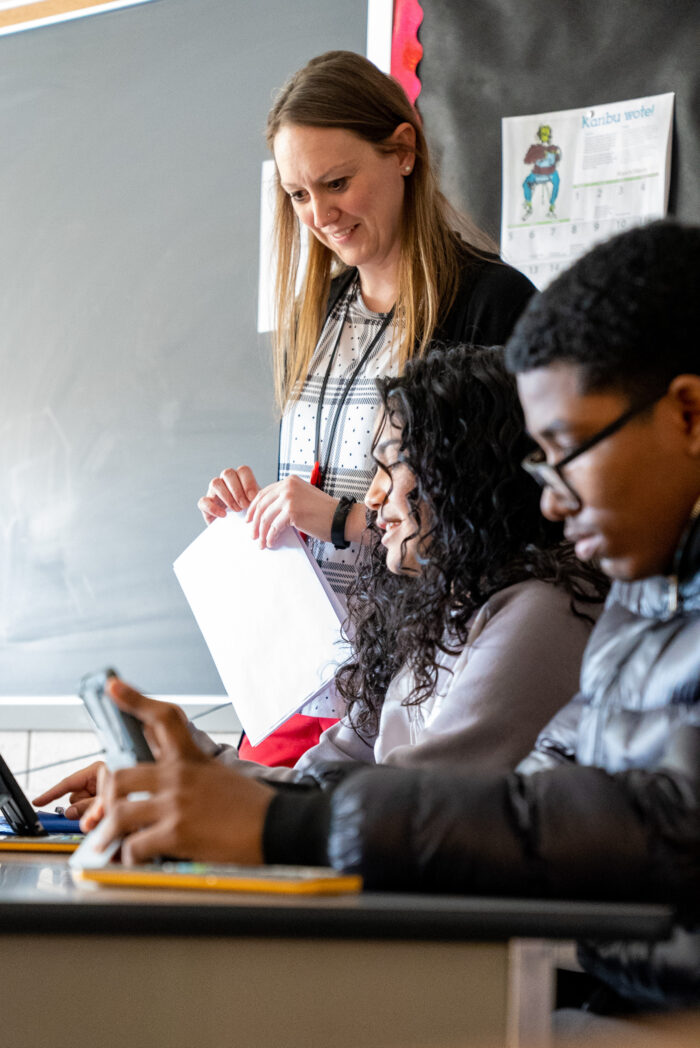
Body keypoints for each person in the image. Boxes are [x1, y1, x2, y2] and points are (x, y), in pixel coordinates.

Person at [92, 221, 700, 1016]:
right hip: (598, 1000)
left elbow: (633, 827)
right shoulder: (640, 599)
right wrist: (208, 780)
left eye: (568, 450)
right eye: (540, 464)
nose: (553, 498)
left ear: (687, 413)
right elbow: (539, 794)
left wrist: (290, 827)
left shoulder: (554, 607)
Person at [35, 344, 605, 815]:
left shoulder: (537, 614)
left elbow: (405, 808)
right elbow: (318, 784)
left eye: (391, 469)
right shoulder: (433, 613)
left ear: (465, 478)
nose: (373, 497)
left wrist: (194, 788)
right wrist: (181, 761)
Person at [197, 49, 535, 766]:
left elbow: (508, 531)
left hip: (420, 682)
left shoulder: (492, 304)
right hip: (305, 677)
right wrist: (259, 510)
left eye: (337, 182)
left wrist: (345, 521)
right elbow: (323, 482)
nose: (319, 215)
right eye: (296, 195)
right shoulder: (320, 307)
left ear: (403, 151)